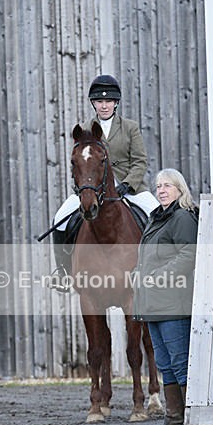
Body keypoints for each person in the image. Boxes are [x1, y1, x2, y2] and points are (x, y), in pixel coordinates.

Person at [51, 74, 159, 280]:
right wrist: (81, 188)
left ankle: (157, 269)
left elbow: (140, 161)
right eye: (100, 101)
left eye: (108, 101)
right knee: (59, 219)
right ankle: (63, 272)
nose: (104, 105)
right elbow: (79, 163)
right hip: (92, 189)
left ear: (116, 103)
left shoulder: (130, 127)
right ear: (94, 103)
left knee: (157, 216)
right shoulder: (84, 129)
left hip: (130, 188)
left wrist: (128, 184)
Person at [133, 169, 199, 425]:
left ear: (179, 189)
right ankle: (173, 418)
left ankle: (188, 419)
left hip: (173, 302)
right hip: (152, 304)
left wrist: (158, 277)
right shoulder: (156, 218)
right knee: (164, 364)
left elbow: (187, 255)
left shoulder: (182, 217)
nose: (161, 190)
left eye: (167, 186)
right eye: (158, 186)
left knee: (180, 361)